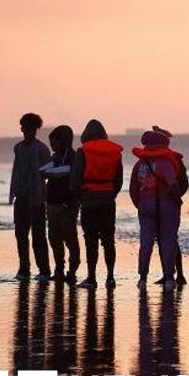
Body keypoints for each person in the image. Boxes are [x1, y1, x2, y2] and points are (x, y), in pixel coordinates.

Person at [129, 128, 188, 290]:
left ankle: (142, 279)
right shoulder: (165, 162)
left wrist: (140, 205)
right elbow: (173, 185)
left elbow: (133, 189)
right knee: (168, 242)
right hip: (166, 206)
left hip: (145, 206)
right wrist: (178, 203)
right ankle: (169, 278)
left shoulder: (139, 164)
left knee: (146, 243)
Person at [70, 119, 123, 289]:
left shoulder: (82, 152)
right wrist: (111, 193)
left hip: (89, 200)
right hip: (108, 200)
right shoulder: (115, 152)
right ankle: (110, 277)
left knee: (90, 240)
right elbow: (119, 180)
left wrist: (80, 197)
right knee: (108, 240)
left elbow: (75, 180)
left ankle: (91, 277)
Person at [10, 112, 52, 281]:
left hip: (37, 198)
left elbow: (49, 171)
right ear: (22, 129)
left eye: (32, 129)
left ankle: (44, 270)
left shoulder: (42, 149)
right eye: (26, 128)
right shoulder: (18, 148)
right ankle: (24, 269)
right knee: (21, 235)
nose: (29, 132)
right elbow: (16, 172)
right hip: (21, 197)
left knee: (38, 236)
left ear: (36, 129)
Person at [40, 124, 79, 283]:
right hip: (52, 203)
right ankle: (59, 270)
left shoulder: (74, 157)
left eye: (55, 141)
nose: (52, 145)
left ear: (64, 141)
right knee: (54, 239)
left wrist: (68, 203)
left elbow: (74, 180)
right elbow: (44, 172)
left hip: (67, 205)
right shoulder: (54, 158)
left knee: (69, 238)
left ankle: (72, 270)